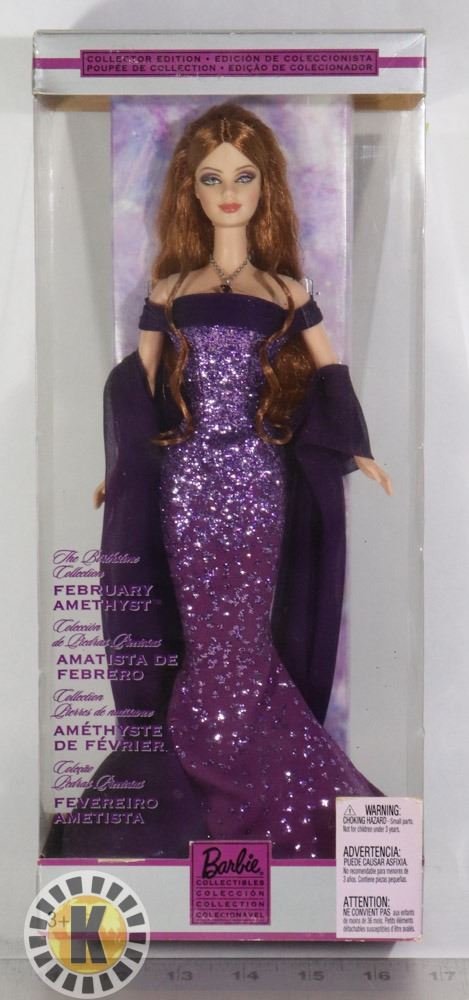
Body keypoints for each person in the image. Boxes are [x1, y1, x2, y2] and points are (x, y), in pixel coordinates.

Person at [56, 102, 392, 862]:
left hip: (257, 482)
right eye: (212, 179)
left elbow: (329, 368)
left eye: (243, 177)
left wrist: (357, 448)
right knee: (201, 632)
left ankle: (237, 766)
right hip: (185, 483)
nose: (229, 193)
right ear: (191, 188)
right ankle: (205, 768)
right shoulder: (170, 287)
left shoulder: (286, 289)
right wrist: (122, 469)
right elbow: (139, 384)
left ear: (265, 185)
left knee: (242, 633)